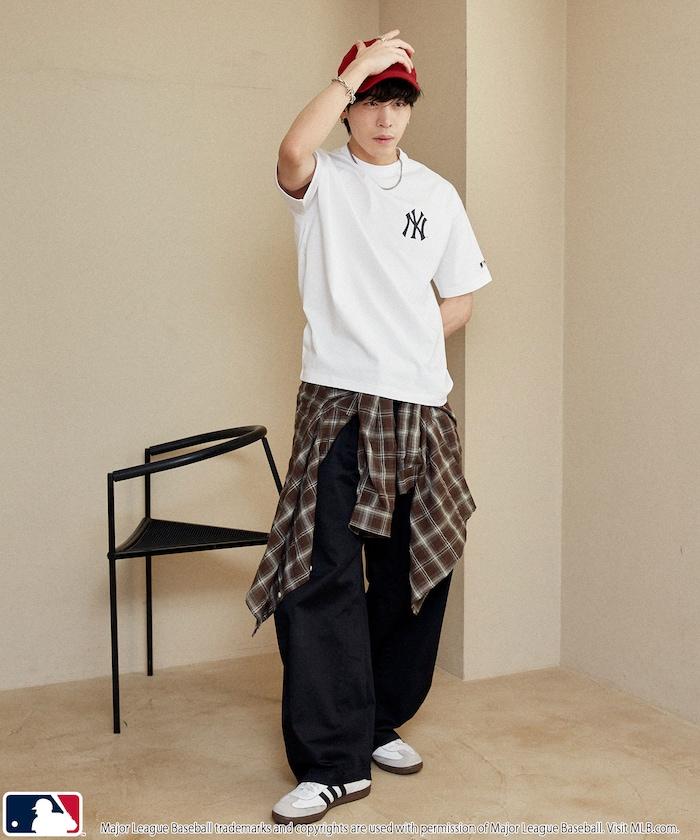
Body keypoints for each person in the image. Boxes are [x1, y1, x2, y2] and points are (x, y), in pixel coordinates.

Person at [245, 29, 493, 826]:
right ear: (350, 105)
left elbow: (461, 296)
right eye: (371, 101)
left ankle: (377, 718)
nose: (386, 117)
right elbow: (290, 151)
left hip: (419, 405)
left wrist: (409, 337)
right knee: (318, 575)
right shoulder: (323, 180)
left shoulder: (437, 195)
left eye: (398, 102)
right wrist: (350, 74)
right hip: (336, 403)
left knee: (415, 571)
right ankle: (332, 763)